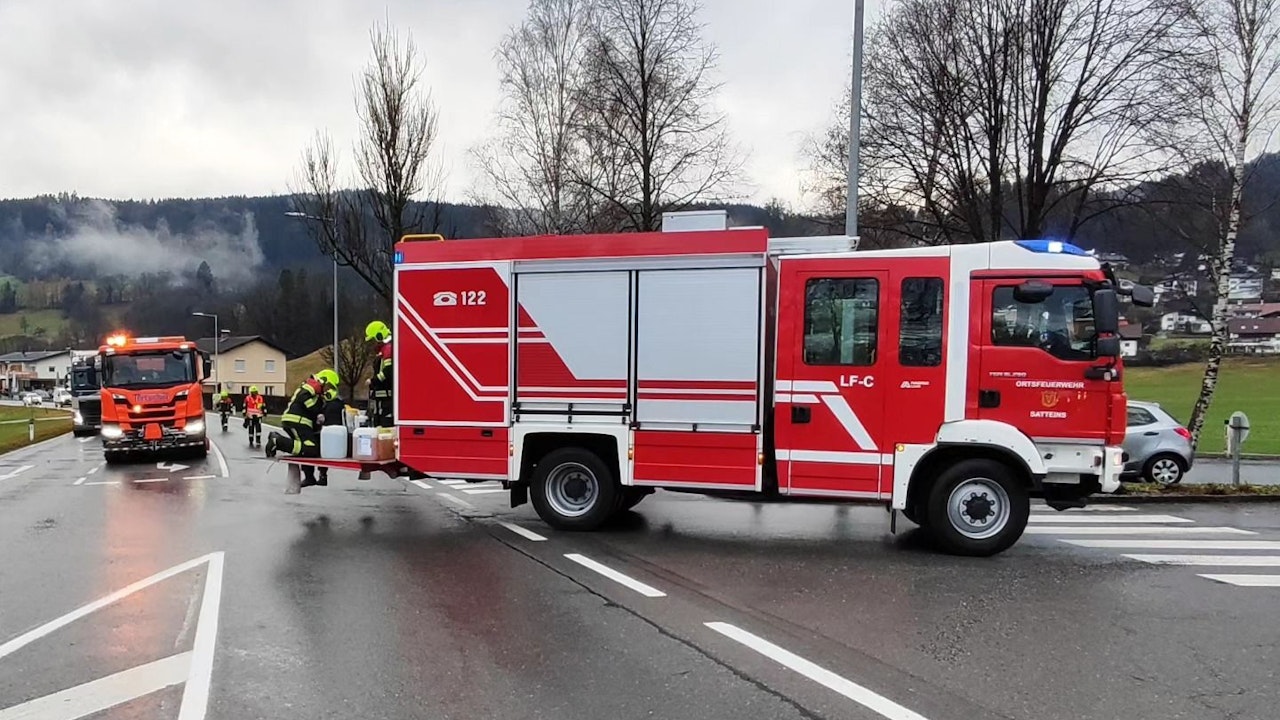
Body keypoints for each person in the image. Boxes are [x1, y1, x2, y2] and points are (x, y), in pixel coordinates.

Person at [265, 369, 339, 488]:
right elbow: (303, 397)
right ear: (323, 381)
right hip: (297, 421)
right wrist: (316, 410)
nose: (327, 390)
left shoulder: (316, 390)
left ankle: (309, 477)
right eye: (328, 386)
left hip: (299, 422)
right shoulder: (311, 385)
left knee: (308, 449)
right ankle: (277, 441)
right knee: (310, 449)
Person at [366, 320, 394, 428]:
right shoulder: (385, 349)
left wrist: (373, 381)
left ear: (379, 336)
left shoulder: (388, 349)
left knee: (384, 427)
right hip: (382, 400)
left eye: (373, 339)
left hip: (386, 401)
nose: (372, 343)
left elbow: (388, 371)